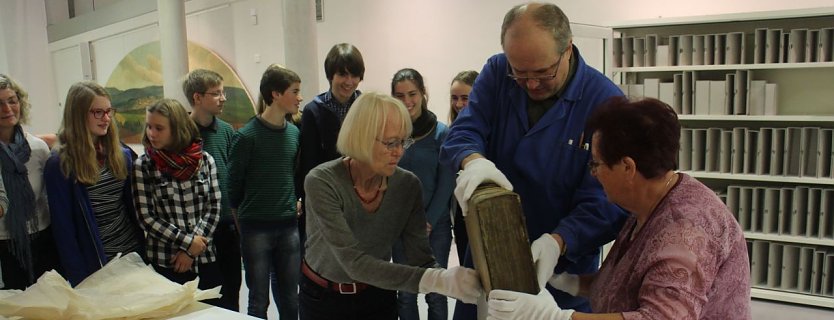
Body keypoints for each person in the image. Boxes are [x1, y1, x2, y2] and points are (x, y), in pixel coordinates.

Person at [439, 2, 628, 316]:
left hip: (559, 276)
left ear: (567, 49)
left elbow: (609, 202)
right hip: (487, 260)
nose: (531, 84)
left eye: (543, 73)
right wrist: (472, 161)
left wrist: (559, 241)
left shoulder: (606, 103)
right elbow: (462, 131)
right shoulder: (498, 72)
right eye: (520, 74)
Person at [486, 97, 752, 320]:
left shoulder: (687, 231)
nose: (593, 174)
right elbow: (628, 282)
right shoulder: (650, 204)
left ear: (628, 167)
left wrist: (555, 318)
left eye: (597, 164)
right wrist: (568, 282)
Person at [300, 92, 481, 320]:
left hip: (377, 294)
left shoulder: (407, 185)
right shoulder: (322, 181)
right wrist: (437, 281)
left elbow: (420, 256)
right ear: (361, 136)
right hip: (323, 298)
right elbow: (353, 263)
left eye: (403, 141)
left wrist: (454, 279)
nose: (399, 151)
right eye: (390, 143)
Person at [44, 81, 145, 286]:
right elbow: (64, 230)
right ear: (78, 114)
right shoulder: (61, 163)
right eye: (97, 112)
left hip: (132, 254)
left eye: (108, 111)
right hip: (96, 263)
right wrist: (80, 278)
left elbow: (131, 206)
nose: (106, 118)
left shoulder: (121, 153)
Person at [228, 64, 302, 319]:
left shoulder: (294, 133)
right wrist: (242, 226)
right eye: (295, 91)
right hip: (255, 228)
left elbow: (291, 175)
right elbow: (233, 188)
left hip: (288, 226)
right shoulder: (247, 137)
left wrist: (295, 200)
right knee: (258, 302)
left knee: (291, 300)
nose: (299, 97)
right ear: (276, 94)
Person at [133, 98, 221, 305]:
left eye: (159, 128)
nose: (151, 134)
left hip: (204, 257)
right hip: (167, 261)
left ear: (177, 128)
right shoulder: (144, 165)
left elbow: (214, 207)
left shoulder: (204, 160)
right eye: (149, 127)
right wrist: (188, 243)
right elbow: (146, 217)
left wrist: (192, 250)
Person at [390, 68, 456, 320]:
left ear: (423, 93)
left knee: (436, 292)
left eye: (412, 94)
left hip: (435, 226)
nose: (407, 102)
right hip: (401, 227)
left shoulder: (441, 133)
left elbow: (446, 183)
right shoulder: (392, 134)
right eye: (400, 95)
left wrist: (428, 220)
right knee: (406, 293)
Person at [296, 43, 365, 256]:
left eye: (354, 75)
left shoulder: (365, 105)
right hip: (327, 195)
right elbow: (309, 161)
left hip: (363, 194)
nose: (349, 81)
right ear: (330, 75)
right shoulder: (313, 110)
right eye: (342, 74)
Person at [183, 69, 241, 311]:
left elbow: (235, 176)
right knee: (206, 296)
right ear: (197, 97)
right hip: (198, 229)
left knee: (232, 288)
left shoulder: (226, 131)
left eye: (223, 92)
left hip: (227, 225)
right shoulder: (182, 132)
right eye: (216, 94)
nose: (223, 98)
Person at [0, 74, 59, 290]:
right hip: (5, 245)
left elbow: (50, 195)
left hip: (43, 239)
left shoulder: (38, 148)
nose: (7, 109)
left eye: (12, 100)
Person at [447, 70, 478, 264]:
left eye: (465, 98)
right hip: (459, 209)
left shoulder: (489, 129)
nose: (458, 104)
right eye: (454, 98)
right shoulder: (452, 130)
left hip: (480, 206)